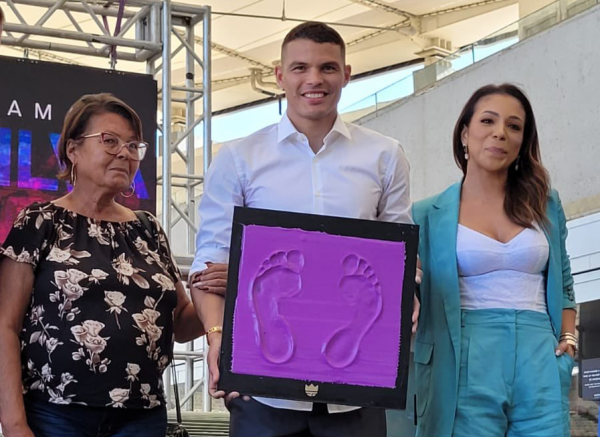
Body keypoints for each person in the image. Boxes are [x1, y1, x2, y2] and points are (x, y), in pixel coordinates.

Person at [190, 21, 420, 437]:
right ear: (279, 76)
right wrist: (218, 337)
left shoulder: (385, 156)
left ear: (347, 75)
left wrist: (409, 295)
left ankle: (333, 313)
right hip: (262, 387)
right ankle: (270, 306)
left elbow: (400, 255)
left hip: (358, 387)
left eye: (328, 68)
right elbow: (210, 266)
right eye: (300, 68)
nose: (314, 79)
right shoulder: (239, 159)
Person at [0, 93, 204, 437]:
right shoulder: (39, 222)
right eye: (110, 141)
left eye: (133, 145)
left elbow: (182, 324)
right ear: (72, 149)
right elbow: (4, 325)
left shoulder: (148, 228)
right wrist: (15, 424)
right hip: (56, 415)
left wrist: (227, 292)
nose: (124, 153)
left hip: (142, 416)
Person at [412, 83, 576, 437]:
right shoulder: (426, 214)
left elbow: (563, 281)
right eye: (488, 121)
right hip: (464, 351)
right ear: (465, 134)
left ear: (522, 144)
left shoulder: (546, 205)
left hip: (540, 352)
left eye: (514, 126)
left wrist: (568, 341)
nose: (500, 133)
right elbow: (413, 290)